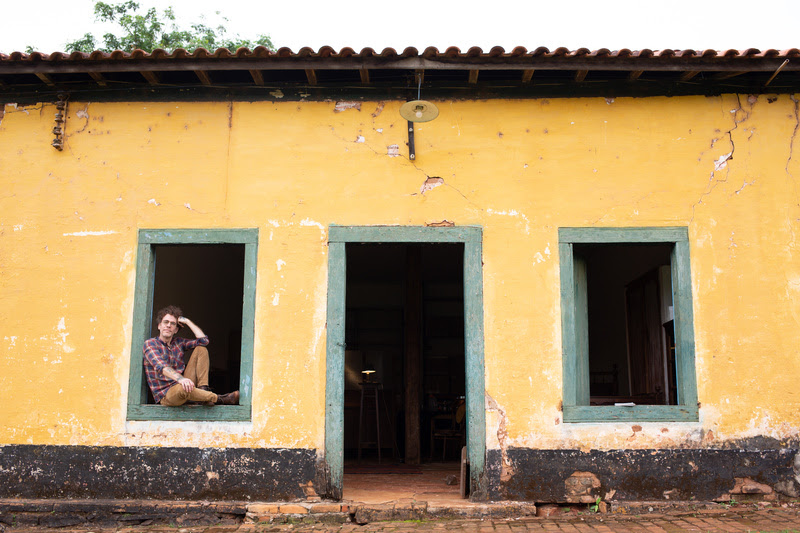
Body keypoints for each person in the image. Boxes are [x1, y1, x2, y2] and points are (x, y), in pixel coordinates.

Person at [143, 305, 239, 407]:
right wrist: (181, 379)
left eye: (173, 323)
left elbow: (204, 341)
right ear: (159, 326)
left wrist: (187, 321)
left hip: (184, 385)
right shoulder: (150, 344)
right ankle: (219, 398)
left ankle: (203, 390)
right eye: (165, 322)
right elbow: (161, 367)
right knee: (182, 389)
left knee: (201, 349)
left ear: (176, 329)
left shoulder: (178, 342)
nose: (168, 325)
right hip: (166, 394)